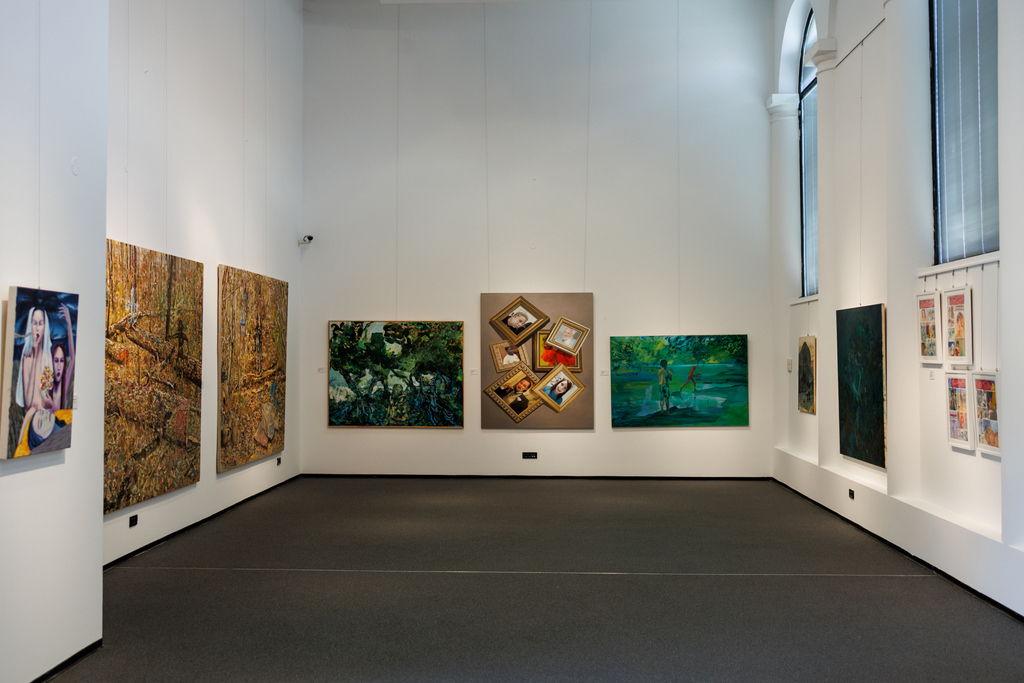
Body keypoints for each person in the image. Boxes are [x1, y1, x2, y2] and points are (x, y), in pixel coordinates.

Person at [17, 308, 54, 411]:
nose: (37, 328)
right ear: (30, 326)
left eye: (40, 324)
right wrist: (34, 359)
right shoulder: (27, 359)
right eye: (34, 323)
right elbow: (28, 404)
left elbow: (47, 396)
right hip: (31, 416)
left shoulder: (48, 359)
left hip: (44, 416)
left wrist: (50, 403)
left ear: (45, 327)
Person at [49, 303, 76, 411]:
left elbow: (73, 360)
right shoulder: (47, 388)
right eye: (56, 361)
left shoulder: (64, 387)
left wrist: (69, 324)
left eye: (62, 361)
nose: (59, 366)